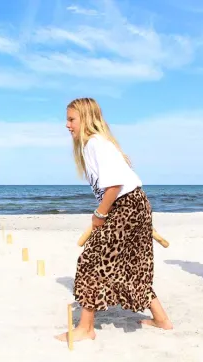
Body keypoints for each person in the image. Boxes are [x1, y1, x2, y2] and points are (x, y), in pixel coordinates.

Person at [56, 97, 172, 343]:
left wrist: (100, 213)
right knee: (132, 266)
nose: (67, 125)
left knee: (92, 262)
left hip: (125, 206)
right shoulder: (97, 145)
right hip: (135, 204)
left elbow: (115, 184)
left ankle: (86, 328)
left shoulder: (95, 144)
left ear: (86, 119)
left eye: (71, 119)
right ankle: (161, 319)